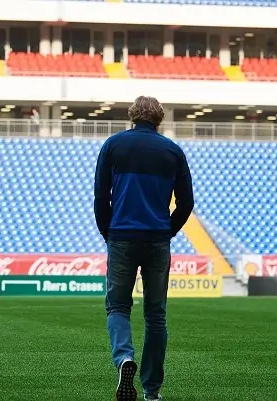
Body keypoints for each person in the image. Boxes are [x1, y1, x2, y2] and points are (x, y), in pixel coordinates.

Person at [93, 96, 194, 401]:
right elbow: (186, 203)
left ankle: (124, 357)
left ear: (133, 115)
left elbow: (101, 197)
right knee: (155, 315)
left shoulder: (113, 145)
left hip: (122, 237)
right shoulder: (173, 151)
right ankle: (152, 390)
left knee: (118, 307)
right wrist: (167, 231)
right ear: (159, 118)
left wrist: (108, 233)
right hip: (157, 239)